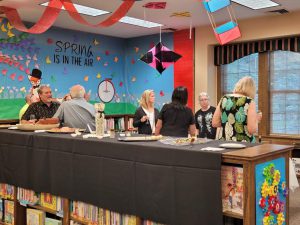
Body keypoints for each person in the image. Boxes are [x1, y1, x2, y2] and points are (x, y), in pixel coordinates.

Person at [212, 76, 262, 143]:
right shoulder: (249, 101)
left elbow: (215, 123)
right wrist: (257, 120)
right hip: (243, 143)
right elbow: (252, 129)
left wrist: (228, 123)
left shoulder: (224, 98)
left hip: (224, 142)